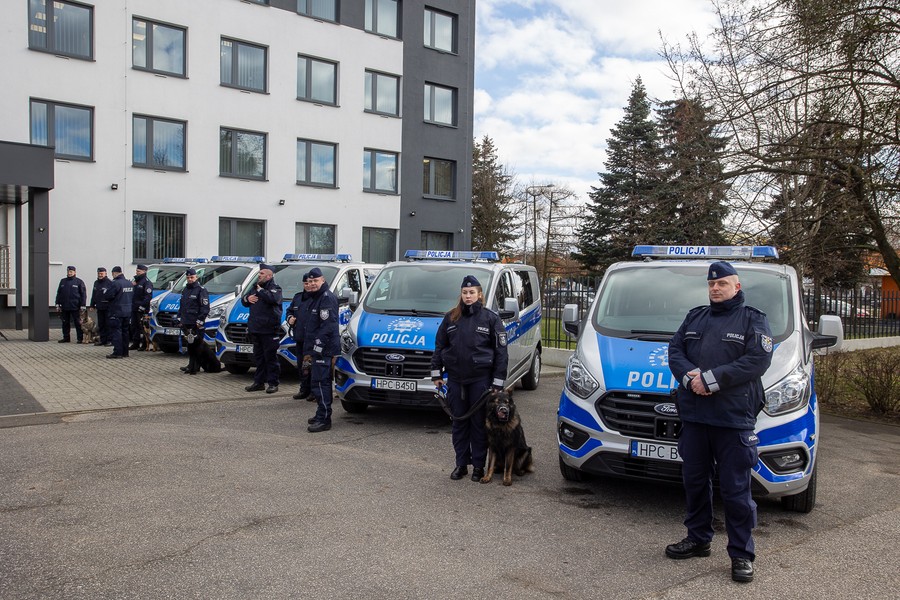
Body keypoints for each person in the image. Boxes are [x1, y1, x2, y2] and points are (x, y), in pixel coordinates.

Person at [666, 261, 774, 584]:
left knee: (735, 489)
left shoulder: (753, 319)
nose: (715, 288)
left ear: (736, 287)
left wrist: (711, 380)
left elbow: (757, 360)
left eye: (722, 283)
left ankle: (741, 554)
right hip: (695, 416)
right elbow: (675, 350)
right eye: (712, 284)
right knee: (695, 482)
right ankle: (698, 538)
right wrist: (689, 378)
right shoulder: (695, 317)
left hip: (732, 419)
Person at [431, 275, 508, 481]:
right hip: (456, 380)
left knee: (478, 425)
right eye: (465, 292)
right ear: (461, 294)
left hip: (480, 382)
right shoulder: (451, 318)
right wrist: (436, 373)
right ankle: (461, 464)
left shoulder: (490, 319)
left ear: (479, 294)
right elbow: (440, 346)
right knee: (458, 424)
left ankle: (478, 467)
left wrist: (498, 382)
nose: (468, 296)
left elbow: (501, 352)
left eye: (472, 292)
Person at [303, 267, 340, 432]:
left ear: (323, 280)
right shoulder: (316, 297)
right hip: (317, 348)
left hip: (323, 349)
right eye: (310, 281)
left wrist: (317, 347)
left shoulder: (326, 298)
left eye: (315, 281)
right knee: (316, 382)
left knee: (321, 383)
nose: (312, 284)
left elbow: (328, 326)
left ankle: (324, 419)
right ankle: (320, 413)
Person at [242, 264, 283, 394]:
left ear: (269, 276)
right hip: (256, 329)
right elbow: (244, 300)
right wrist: (247, 298)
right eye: (259, 273)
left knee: (270, 358)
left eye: (262, 273)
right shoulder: (255, 287)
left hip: (269, 329)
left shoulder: (275, 289)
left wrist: (260, 291)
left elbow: (273, 299)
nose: (259, 275)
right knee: (259, 358)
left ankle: (273, 383)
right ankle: (259, 382)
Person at [286, 272, 313, 401]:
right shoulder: (297, 298)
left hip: (312, 340)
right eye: (306, 283)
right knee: (301, 365)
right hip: (300, 338)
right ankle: (304, 389)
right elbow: (289, 311)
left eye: (310, 283)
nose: (308, 285)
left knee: (311, 366)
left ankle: (313, 391)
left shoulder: (317, 298)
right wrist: (290, 318)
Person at [177, 268, 210, 375]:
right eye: (188, 278)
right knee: (190, 346)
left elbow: (205, 308)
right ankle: (191, 365)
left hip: (196, 324)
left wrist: (200, 321)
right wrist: (179, 318)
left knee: (197, 346)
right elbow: (182, 306)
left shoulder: (201, 290)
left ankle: (195, 366)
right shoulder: (185, 290)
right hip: (187, 322)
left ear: (196, 277)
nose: (190, 279)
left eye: (192, 277)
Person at [104, 266, 134, 359]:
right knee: (125, 332)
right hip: (127, 311)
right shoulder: (129, 283)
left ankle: (117, 352)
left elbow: (108, 296)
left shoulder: (115, 283)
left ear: (114, 273)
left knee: (116, 332)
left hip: (116, 311)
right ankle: (125, 352)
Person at [54, 265, 86, 343]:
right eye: (68, 271)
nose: (69, 273)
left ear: (75, 272)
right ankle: (66, 338)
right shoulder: (63, 281)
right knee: (65, 322)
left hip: (75, 306)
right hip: (65, 306)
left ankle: (80, 338)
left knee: (77, 323)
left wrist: (83, 305)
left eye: (71, 271)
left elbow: (83, 294)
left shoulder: (79, 282)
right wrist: (57, 303)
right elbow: (59, 293)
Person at [129, 264, 154, 350]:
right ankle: (135, 343)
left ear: (144, 272)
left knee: (142, 327)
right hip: (134, 307)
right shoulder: (136, 281)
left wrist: (142, 307)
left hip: (142, 309)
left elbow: (148, 297)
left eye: (139, 271)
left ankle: (144, 345)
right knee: (134, 326)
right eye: (136, 271)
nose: (137, 272)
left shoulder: (147, 282)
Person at [90, 267, 112, 346]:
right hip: (99, 307)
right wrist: (92, 305)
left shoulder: (109, 283)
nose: (100, 275)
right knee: (101, 324)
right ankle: (103, 340)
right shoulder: (96, 283)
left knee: (108, 324)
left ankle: (109, 340)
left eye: (102, 273)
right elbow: (94, 294)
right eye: (99, 273)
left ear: (105, 274)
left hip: (107, 307)